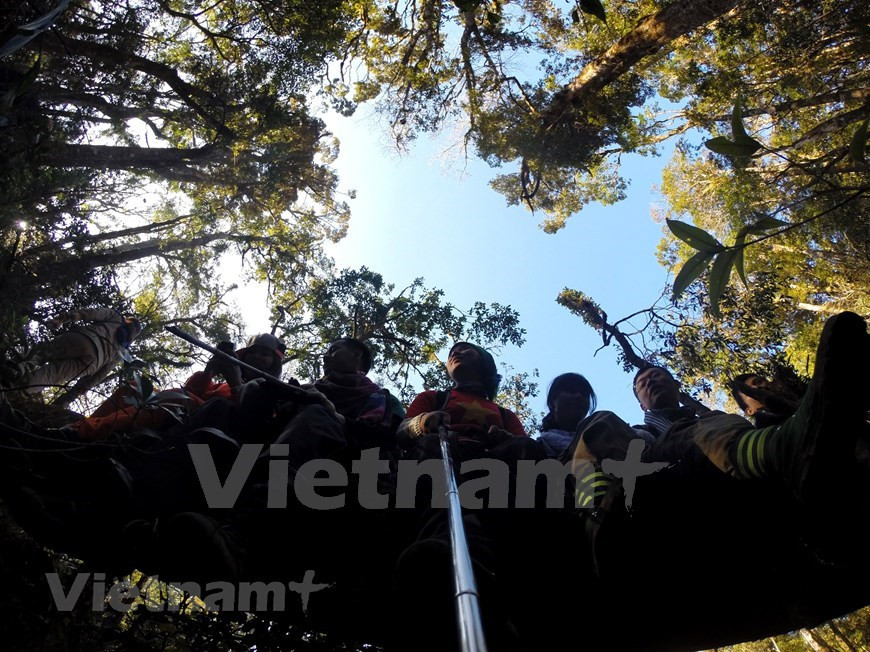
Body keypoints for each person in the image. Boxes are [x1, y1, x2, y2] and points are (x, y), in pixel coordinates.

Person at [4, 308, 141, 405]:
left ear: (128, 319)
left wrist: (64, 318)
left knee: (42, 353)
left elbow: (91, 313)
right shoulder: (123, 350)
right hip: (91, 363)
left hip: (84, 338)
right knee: (51, 375)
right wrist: (77, 392)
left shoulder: (117, 317)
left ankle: (18, 368)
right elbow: (102, 374)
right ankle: (16, 390)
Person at [538, 372, 597, 459]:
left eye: (584, 394)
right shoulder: (535, 449)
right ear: (552, 403)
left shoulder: (600, 440)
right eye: (571, 391)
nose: (579, 396)